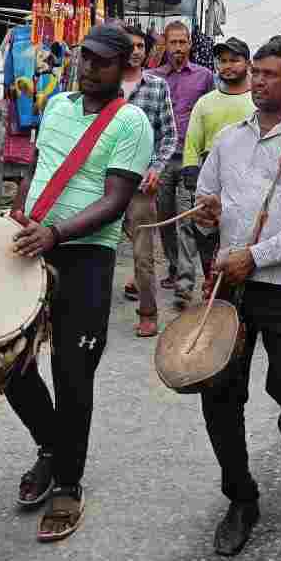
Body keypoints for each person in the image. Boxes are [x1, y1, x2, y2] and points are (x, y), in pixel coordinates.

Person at [7, 23, 154, 542]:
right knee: (7, 361)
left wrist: (56, 233)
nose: (89, 67)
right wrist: (21, 210)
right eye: (85, 58)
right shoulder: (58, 107)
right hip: (32, 243)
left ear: (124, 69)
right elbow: (39, 168)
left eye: (102, 61)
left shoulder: (133, 122)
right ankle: (51, 445)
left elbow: (115, 201)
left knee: (73, 374)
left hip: (86, 258)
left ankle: (68, 482)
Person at [191, 38, 281, 557]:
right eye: (255, 72)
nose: (257, 81)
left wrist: (257, 255)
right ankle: (241, 496)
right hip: (228, 288)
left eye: (270, 74)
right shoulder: (230, 139)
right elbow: (205, 195)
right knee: (220, 395)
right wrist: (205, 213)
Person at [116, 25, 178, 338]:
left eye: (142, 45)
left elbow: (169, 134)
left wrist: (156, 168)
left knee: (143, 252)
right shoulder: (105, 84)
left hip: (141, 182)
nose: (137, 50)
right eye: (131, 45)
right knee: (96, 248)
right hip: (102, 180)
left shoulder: (157, 87)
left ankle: (148, 312)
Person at [151, 20, 215, 308]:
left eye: (183, 42)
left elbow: (209, 114)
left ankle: (184, 282)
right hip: (161, 160)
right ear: (165, 44)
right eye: (173, 42)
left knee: (185, 221)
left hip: (190, 159)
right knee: (164, 218)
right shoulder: (153, 78)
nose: (178, 48)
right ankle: (175, 265)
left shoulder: (204, 77)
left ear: (190, 44)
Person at [182, 37, 256, 280]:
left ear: (248, 63)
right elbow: (193, 141)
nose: (227, 66)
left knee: (242, 238)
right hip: (210, 182)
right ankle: (211, 286)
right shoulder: (205, 102)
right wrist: (192, 175)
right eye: (222, 61)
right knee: (206, 236)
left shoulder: (257, 102)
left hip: (249, 181)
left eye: (234, 60)